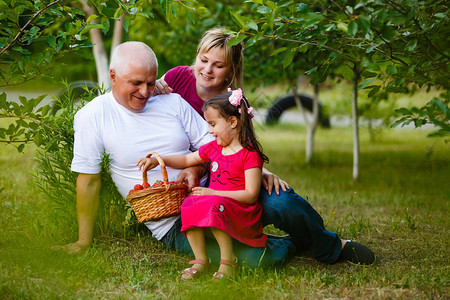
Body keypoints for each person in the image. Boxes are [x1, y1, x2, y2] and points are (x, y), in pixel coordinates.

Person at [53, 41, 295, 269]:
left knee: (282, 201)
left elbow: (213, 145)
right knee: (252, 259)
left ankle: (317, 241)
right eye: (136, 83)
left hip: (213, 189)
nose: (145, 92)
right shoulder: (92, 116)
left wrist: (204, 169)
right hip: (171, 220)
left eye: (150, 82)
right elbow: (88, 181)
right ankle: (284, 245)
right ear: (113, 76)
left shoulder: (170, 100)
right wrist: (83, 240)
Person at [154, 27, 375, 265]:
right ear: (196, 56)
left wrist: (262, 171)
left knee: (283, 200)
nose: (207, 70)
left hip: (229, 177)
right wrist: (154, 85)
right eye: (203, 60)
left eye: (218, 66)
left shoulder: (234, 102)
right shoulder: (177, 77)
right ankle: (284, 243)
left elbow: (242, 148)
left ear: (232, 70)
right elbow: (151, 107)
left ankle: (328, 245)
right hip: (193, 183)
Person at [138, 89, 269, 279]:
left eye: (213, 124)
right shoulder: (215, 148)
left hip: (239, 209)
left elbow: (250, 195)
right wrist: (160, 160)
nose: (209, 130)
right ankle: (200, 260)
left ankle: (228, 261)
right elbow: (186, 160)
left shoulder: (249, 154)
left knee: (213, 205)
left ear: (233, 122)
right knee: (189, 203)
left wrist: (213, 193)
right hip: (215, 201)